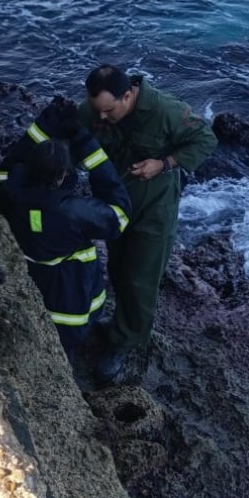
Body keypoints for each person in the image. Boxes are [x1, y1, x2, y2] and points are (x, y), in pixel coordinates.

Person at [77, 65, 218, 382]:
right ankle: (118, 325)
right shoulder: (94, 109)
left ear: (128, 96)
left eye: (108, 111)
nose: (101, 118)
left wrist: (164, 163)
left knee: (141, 276)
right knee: (117, 267)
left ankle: (125, 342)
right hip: (114, 201)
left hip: (154, 206)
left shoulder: (167, 111)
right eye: (97, 111)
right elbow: (73, 132)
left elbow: (205, 138)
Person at [0, 98, 131, 364]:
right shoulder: (74, 213)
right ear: (61, 177)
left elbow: (12, 162)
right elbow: (120, 213)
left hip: (34, 291)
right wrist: (83, 138)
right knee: (62, 357)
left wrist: (47, 121)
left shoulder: (8, 196)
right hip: (72, 307)